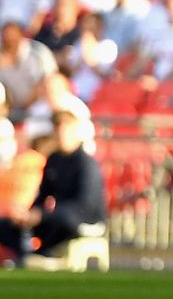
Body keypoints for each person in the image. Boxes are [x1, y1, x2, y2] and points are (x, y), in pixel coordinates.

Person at [0, 110, 105, 265]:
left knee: (66, 221)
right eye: (58, 129)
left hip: (81, 219)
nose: (61, 135)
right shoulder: (54, 160)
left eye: (65, 129)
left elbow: (84, 204)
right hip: (56, 217)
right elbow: (44, 195)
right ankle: (27, 255)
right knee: (5, 226)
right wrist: (28, 214)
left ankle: (44, 253)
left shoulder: (86, 164)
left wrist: (43, 215)